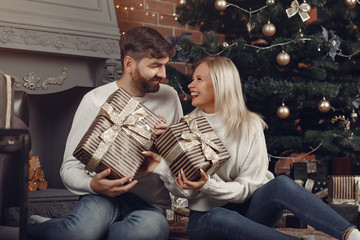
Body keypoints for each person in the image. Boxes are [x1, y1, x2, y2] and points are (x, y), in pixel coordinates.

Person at [143, 56, 360, 240]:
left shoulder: (249, 125)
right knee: (220, 216)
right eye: (192, 79)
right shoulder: (184, 126)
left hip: (251, 210)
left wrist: (210, 185)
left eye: (199, 79)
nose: (191, 85)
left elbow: (250, 186)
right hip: (206, 220)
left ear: (221, 84)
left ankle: (350, 234)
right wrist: (164, 159)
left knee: (281, 184)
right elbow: (185, 189)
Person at [27, 26, 183, 240]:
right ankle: (32, 230)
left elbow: (179, 164)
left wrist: (166, 145)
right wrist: (92, 185)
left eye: (165, 66)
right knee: (78, 234)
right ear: (129, 64)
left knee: (149, 231)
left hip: (149, 204)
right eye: (155, 66)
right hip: (100, 197)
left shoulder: (170, 98)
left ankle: (82, 228)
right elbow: (69, 166)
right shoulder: (95, 100)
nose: (163, 75)